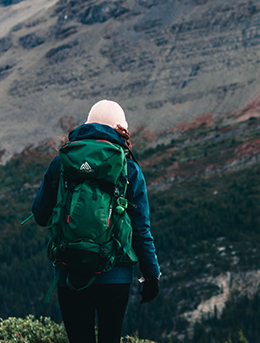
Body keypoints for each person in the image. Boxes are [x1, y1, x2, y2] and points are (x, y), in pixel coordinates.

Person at [31, 100, 161, 343]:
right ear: (120, 128)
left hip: (70, 270)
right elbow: (141, 230)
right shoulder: (128, 166)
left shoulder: (62, 162)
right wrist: (151, 275)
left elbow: (40, 214)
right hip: (115, 276)